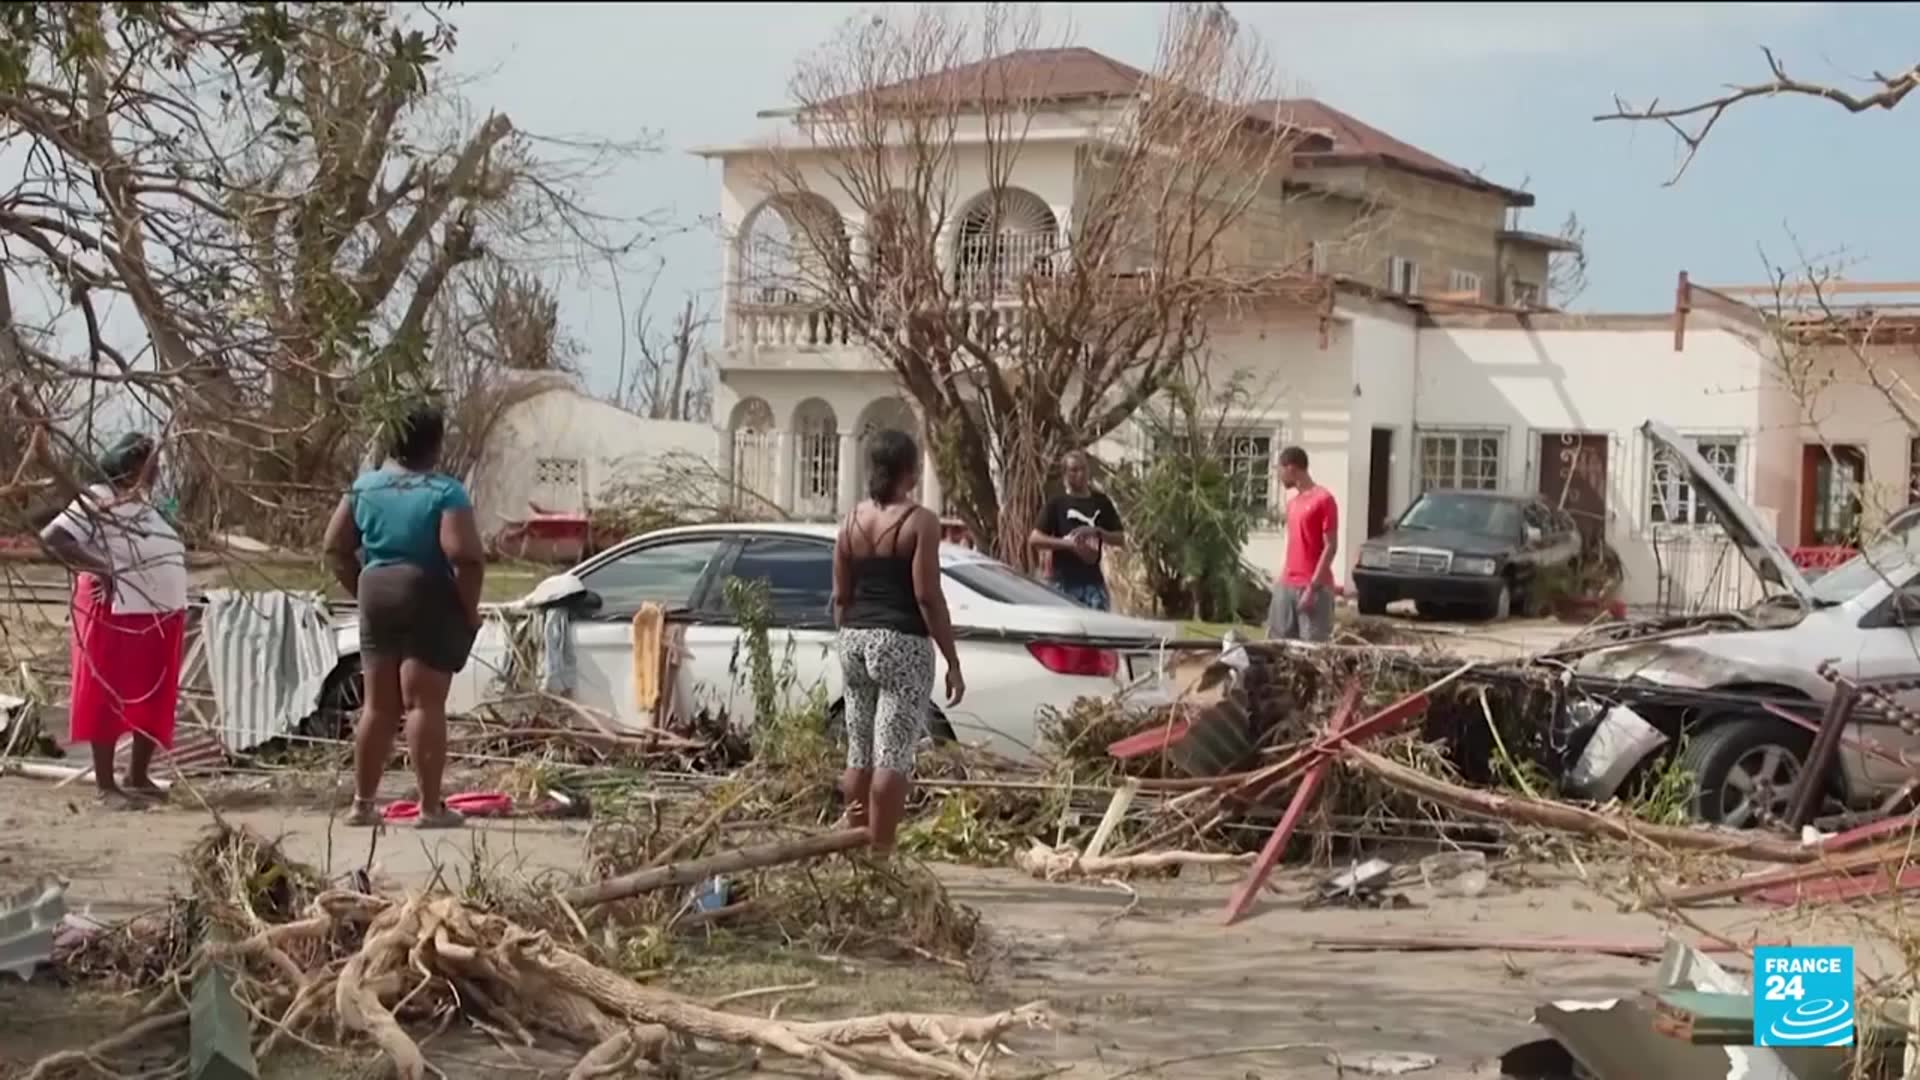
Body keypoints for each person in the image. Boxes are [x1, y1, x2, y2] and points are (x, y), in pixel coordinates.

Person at [323, 403, 486, 829]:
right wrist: (467, 611)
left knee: (378, 704)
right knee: (423, 702)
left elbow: (334, 546)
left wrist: (362, 586)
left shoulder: (364, 487)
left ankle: (362, 804)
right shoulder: (444, 491)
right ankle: (430, 808)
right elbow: (464, 556)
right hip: (425, 590)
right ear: (434, 443)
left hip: (375, 589)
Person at [830, 429, 964, 853]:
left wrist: (848, 637)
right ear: (909, 470)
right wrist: (951, 659)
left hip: (853, 637)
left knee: (859, 753)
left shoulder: (850, 520)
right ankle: (882, 856)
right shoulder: (919, 520)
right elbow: (927, 595)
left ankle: (858, 849)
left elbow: (840, 595)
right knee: (892, 754)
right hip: (901, 641)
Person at [39, 432, 189, 808]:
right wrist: (102, 567)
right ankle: (106, 785)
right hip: (114, 612)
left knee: (153, 695)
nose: (156, 471)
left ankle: (137, 775)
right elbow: (53, 538)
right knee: (106, 694)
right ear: (129, 465)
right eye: (150, 463)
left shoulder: (142, 505)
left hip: (155, 613)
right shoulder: (95, 500)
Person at [1028, 450, 1126, 611]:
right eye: (1074, 470)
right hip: (1063, 583)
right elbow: (1035, 539)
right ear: (1065, 474)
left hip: (1093, 582)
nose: (1080, 474)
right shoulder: (1057, 503)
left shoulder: (1101, 502)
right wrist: (1068, 544)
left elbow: (1120, 538)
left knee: (1098, 629)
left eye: (1083, 469)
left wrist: (1097, 532)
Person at [1268, 445, 1338, 642]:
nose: (1279, 476)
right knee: (1278, 648)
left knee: (1312, 653)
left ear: (1291, 468)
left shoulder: (1323, 499)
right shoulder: (1292, 504)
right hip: (1287, 585)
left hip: (1313, 588)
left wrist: (1312, 588)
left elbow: (1331, 546)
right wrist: (1281, 581)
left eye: (1280, 470)